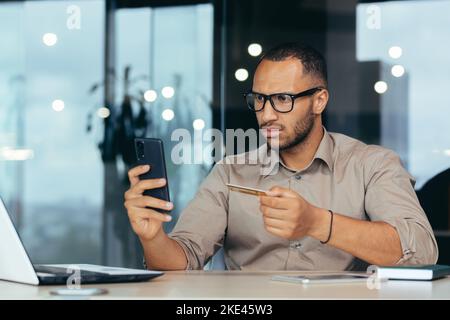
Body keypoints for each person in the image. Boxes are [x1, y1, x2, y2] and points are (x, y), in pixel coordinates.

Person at [124, 42, 438, 271]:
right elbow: (181, 262)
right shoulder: (230, 172)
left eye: (283, 99)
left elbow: (421, 252)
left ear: (319, 101)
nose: (267, 114)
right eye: (259, 99)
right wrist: (153, 238)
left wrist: (317, 222)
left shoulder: (372, 165)